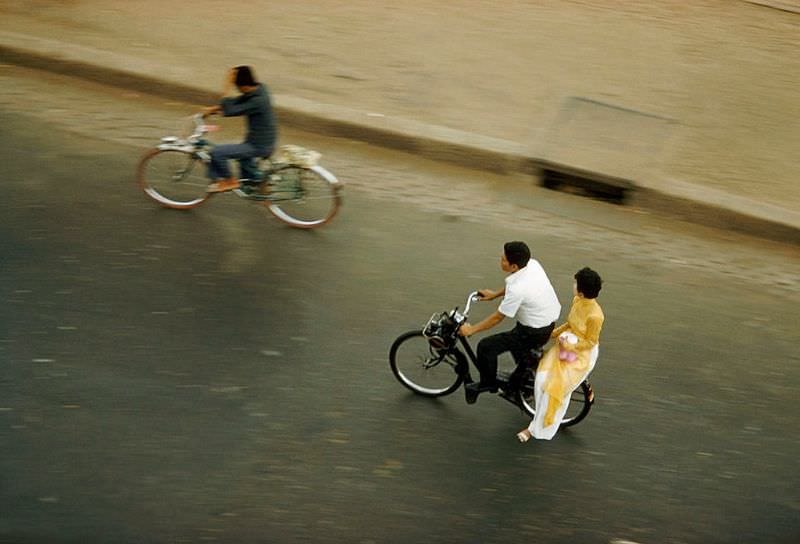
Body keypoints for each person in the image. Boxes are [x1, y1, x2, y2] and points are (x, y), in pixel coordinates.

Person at [459, 241, 561, 405]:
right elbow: (513, 284)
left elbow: (498, 317)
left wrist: (471, 330)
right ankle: (524, 378)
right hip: (546, 322)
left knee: (486, 347)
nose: (501, 259)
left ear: (513, 266)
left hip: (532, 331)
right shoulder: (532, 265)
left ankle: (489, 383)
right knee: (518, 350)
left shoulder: (518, 289)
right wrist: (494, 295)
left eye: (504, 259)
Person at [517, 267, 604, 443]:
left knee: (553, 389)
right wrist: (552, 333)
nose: (573, 285)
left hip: (581, 354)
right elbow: (570, 323)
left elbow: (590, 342)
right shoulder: (577, 301)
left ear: (581, 290)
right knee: (540, 380)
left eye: (575, 284)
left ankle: (534, 429)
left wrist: (571, 347)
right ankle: (538, 416)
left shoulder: (596, 316)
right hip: (566, 344)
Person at [201, 65, 277, 193]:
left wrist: (227, 84)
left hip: (258, 145)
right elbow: (240, 101)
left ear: (244, 86)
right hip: (260, 140)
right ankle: (255, 182)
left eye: (237, 87)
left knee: (217, 152)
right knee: (244, 163)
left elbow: (232, 109)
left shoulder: (258, 101)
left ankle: (230, 181)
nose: (237, 89)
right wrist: (214, 109)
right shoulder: (260, 88)